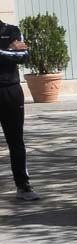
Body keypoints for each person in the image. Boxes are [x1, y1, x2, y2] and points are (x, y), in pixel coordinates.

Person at [0, 18, 37, 201]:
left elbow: (22, 56)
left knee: (16, 141)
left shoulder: (12, 31)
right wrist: (7, 50)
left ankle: (23, 185)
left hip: (10, 91)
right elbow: (13, 54)